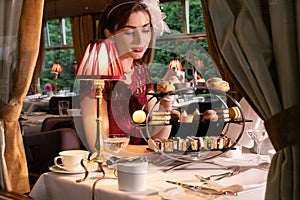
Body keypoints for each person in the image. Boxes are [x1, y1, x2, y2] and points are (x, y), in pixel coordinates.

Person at [79, 0, 172, 150]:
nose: (140, 40)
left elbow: (156, 140)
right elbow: (99, 147)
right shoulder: (97, 78)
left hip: (143, 164)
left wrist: (165, 110)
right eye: (129, 32)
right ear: (109, 34)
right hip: (112, 168)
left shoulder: (142, 72)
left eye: (145, 30)